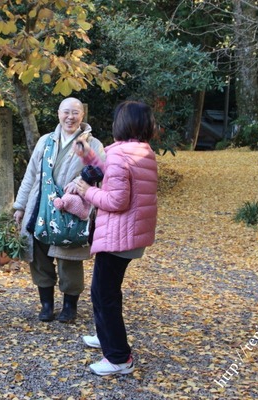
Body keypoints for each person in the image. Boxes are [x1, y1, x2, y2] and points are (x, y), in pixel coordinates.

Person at [74, 100, 157, 376]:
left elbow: (117, 199)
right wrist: (88, 157)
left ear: (121, 124)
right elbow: (113, 175)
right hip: (130, 234)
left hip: (118, 236)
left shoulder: (122, 154)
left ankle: (119, 357)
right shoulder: (141, 151)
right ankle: (106, 335)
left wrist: (87, 191)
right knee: (107, 291)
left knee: (103, 293)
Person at [13, 97, 105, 323]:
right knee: (39, 256)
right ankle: (46, 304)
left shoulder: (91, 144)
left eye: (75, 112)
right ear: (58, 114)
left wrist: (80, 181)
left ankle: (69, 306)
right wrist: (20, 205)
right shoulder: (45, 141)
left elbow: (101, 170)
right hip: (41, 207)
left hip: (70, 211)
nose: (70, 117)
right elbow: (31, 174)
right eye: (66, 112)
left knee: (69, 259)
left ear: (82, 116)